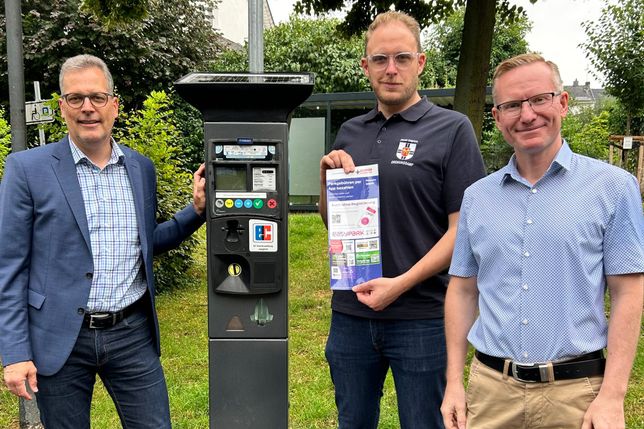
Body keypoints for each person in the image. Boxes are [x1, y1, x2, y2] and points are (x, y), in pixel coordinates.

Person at [0, 54, 207, 428]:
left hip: (131, 334)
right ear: (61, 106)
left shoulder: (140, 168)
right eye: (75, 98)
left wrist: (195, 211)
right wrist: (15, 353)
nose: (87, 108)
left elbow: (144, 245)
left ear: (114, 104)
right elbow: (9, 267)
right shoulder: (27, 169)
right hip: (60, 337)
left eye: (97, 97)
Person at [441, 53, 644, 429]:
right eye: (512, 105)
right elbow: (463, 291)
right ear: (497, 117)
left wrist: (613, 396)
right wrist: (454, 382)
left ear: (562, 103)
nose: (528, 114)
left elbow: (628, 292)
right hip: (490, 392)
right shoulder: (477, 197)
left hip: (576, 396)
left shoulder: (613, 189)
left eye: (539, 99)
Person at [318, 11, 486, 429]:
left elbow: (462, 230)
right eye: (380, 59)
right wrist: (326, 180)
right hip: (352, 314)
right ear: (366, 67)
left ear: (421, 63)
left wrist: (400, 285)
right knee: (352, 422)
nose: (391, 69)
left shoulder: (452, 129)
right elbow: (334, 223)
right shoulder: (350, 132)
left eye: (402, 58)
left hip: (423, 317)